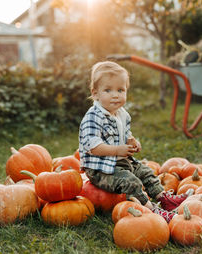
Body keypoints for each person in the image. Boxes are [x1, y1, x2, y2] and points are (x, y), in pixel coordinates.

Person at [79, 61, 192, 223]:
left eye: (120, 90)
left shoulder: (122, 114)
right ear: (95, 93)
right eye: (108, 90)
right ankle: (153, 211)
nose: (115, 95)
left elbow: (125, 134)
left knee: (145, 172)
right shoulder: (93, 117)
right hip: (101, 169)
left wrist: (132, 141)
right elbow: (93, 147)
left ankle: (165, 199)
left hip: (122, 161)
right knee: (129, 182)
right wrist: (118, 150)